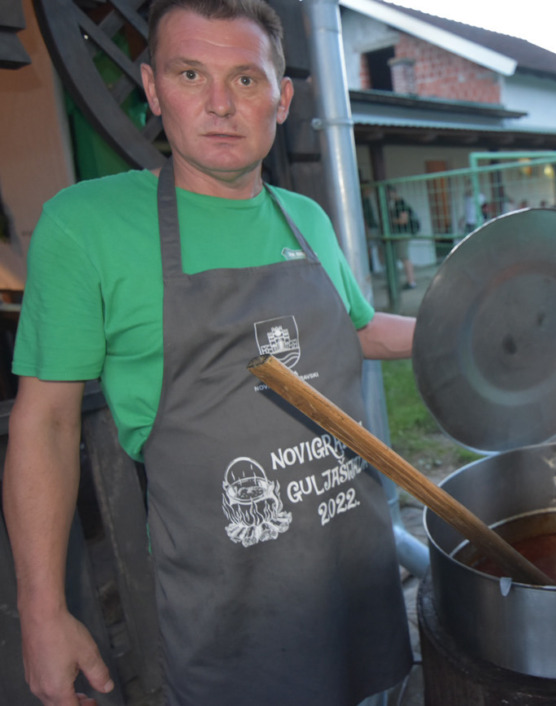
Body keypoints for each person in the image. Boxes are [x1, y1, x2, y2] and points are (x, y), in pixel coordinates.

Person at [3, 1, 417, 704]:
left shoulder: (305, 217)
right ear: (153, 88)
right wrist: (43, 612)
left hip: (356, 576)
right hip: (231, 609)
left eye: (247, 81)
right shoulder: (87, 226)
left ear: (281, 100)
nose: (221, 105)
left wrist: (467, 328)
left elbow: (353, 328)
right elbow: (43, 424)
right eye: (191, 75)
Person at [385, 185, 418, 289]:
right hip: (400, 234)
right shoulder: (396, 204)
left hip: (403, 234)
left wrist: (390, 221)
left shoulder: (400, 203)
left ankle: (411, 282)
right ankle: (410, 281)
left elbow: (404, 220)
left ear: (392, 192)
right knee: (402, 257)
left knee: (404, 258)